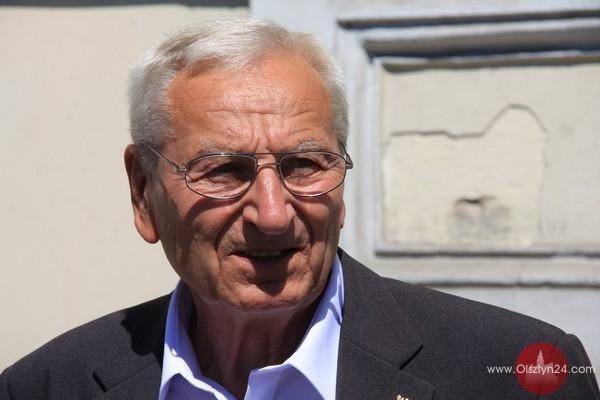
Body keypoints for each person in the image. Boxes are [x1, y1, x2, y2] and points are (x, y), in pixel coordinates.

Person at [1, 19, 598, 400]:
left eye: (305, 164)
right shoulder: (46, 387)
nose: (272, 213)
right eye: (224, 170)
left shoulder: (517, 373)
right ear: (142, 192)